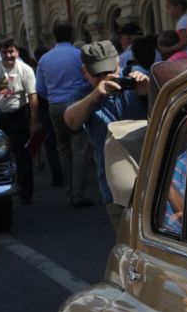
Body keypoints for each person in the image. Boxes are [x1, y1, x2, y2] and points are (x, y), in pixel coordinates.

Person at [62, 42, 152, 214]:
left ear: (118, 63)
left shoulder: (135, 79)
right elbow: (71, 122)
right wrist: (94, 96)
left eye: (110, 71)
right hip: (114, 186)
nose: (106, 78)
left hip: (152, 177)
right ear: (85, 72)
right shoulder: (83, 94)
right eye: (98, 73)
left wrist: (149, 91)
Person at [38, 21, 95, 208]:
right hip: (76, 103)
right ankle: (78, 194)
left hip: (55, 105)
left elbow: (40, 89)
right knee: (79, 149)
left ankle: (70, 190)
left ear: (54, 36)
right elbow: (89, 78)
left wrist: (54, 97)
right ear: (72, 35)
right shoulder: (79, 55)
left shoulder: (45, 59)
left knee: (63, 148)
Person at [0, 38, 40, 206]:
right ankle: (1, 190)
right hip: (1, 116)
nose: (8, 55)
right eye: (5, 52)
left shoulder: (25, 70)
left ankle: (26, 192)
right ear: (0, 53)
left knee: (23, 156)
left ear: (17, 52)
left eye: (11, 51)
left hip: (19, 114)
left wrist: (34, 122)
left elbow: (33, 96)